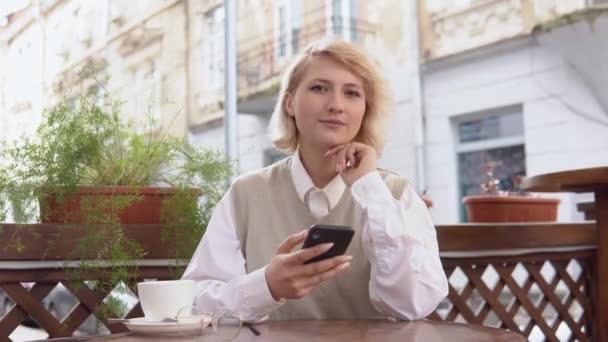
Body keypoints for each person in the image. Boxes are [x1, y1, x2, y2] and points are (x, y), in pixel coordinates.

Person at [182, 38, 448, 322]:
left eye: (352, 93)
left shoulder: (395, 193)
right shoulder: (246, 193)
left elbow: (413, 305)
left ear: (364, 110)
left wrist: (370, 189)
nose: (336, 105)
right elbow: (194, 302)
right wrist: (266, 286)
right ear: (289, 104)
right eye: (319, 88)